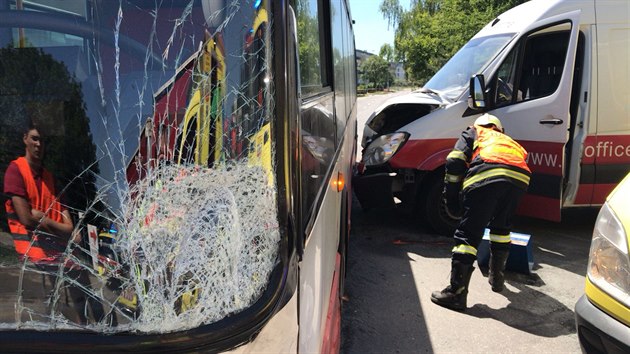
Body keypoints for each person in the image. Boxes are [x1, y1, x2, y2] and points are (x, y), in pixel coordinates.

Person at [4, 123, 107, 324]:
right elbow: (26, 219)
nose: (38, 144)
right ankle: (73, 331)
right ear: (25, 138)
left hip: (57, 247)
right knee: (56, 298)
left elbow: (70, 226)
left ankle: (98, 331)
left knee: (84, 286)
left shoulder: (50, 178)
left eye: (42, 140)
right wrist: (63, 229)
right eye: (34, 138)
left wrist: (43, 218)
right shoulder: (15, 170)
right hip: (34, 250)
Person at [431, 113, 531, 311]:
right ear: (500, 129)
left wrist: (451, 199)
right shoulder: (508, 140)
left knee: (467, 237)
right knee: (501, 228)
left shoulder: (474, 132)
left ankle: (456, 293)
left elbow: (454, 160)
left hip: (487, 175)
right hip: (519, 180)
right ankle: (497, 279)